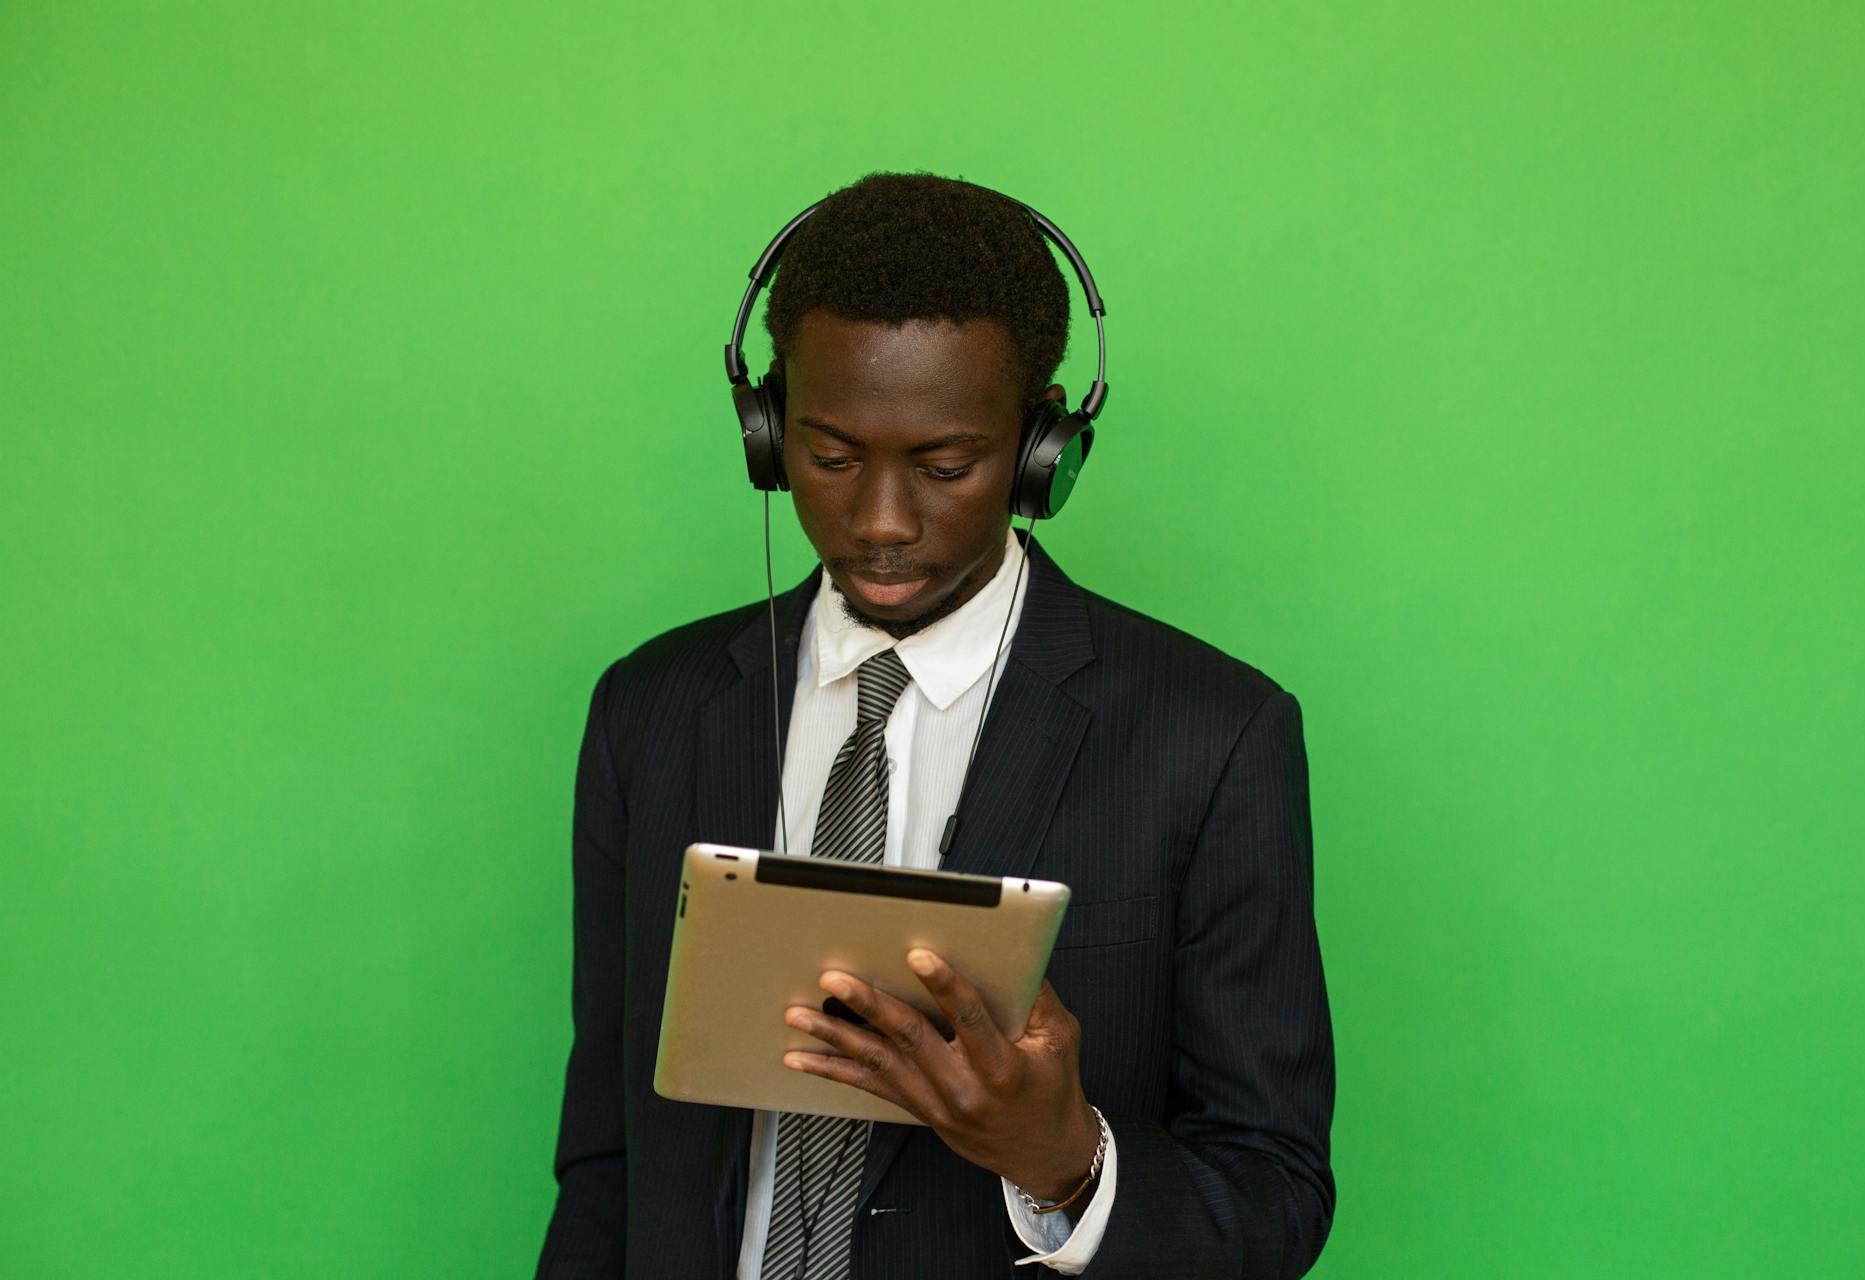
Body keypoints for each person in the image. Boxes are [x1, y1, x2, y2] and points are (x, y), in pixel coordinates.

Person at [535, 172, 1334, 1279]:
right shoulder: (652, 707)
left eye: (947, 466)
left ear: (1043, 444)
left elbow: (1274, 1196)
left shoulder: (1214, 736)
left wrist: (1068, 1164)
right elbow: (609, 1156)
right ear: (765, 430)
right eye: (828, 455)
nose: (880, 521)